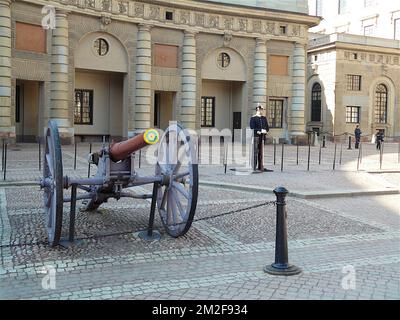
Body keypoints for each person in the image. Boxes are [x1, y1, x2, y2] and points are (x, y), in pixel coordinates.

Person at [250, 104, 269, 171]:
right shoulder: (253, 118)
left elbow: (267, 127)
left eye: (262, 110)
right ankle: (254, 166)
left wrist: (265, 131)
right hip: (256, 137)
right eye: (260, 109)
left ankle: (260, 166)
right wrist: (259, 130)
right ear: (257, 110)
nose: (261, 111)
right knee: (255, 152)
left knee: (261, 152)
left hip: (262, 137)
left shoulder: (264, 118)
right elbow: (252, 127)